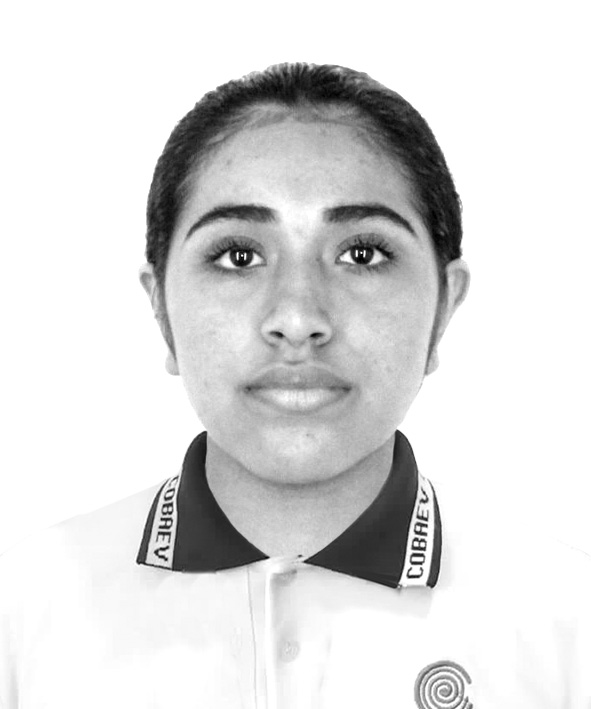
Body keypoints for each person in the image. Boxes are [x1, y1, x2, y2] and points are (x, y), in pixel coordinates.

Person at [0, 62, 589, 709]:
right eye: (239, 256)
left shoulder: (566, 620)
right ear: (160, 307)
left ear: (444, 305)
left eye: (361, 254)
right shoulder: (25, 607)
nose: (298, 318)